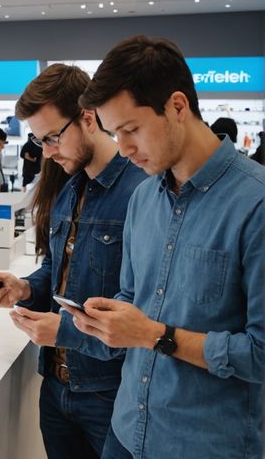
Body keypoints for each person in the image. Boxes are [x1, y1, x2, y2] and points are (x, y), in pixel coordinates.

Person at [70, 35, 265, 458]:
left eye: (131, 129)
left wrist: (155, 335)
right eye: (114, 134)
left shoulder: (255, 203)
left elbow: (261, 352)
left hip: (205, 444)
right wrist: (103, 319)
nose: (123, 149)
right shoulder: (142, 199)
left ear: (178, 106)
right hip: (126, 431)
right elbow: (131, 297)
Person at [0, 63, 147, 459]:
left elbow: (141, 309)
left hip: (111, 392)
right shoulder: (70, 191)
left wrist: (66, 330)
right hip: (56, 386)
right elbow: (57, 267)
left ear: (88, 119)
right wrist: (24, 287)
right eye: (40, 142)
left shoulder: (140, 192)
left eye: (52, 138)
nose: (47, 153)